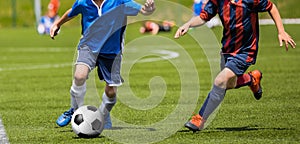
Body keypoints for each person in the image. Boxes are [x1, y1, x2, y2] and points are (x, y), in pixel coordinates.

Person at [174, 0, 296, 132]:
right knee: (228, 84)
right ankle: (251, 79)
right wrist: (188, 24)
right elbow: (204, 16)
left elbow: (271, 7)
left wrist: (281, 31)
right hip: (227, 49)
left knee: (220, 81)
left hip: (245, 51)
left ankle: (199, 119)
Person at [50, 0, 155, 129]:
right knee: (79, 76)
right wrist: (58, 24)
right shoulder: (83, 2)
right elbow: (72, 12)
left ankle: (103, 115)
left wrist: (149, 8)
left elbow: (143, 11)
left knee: (111, 92)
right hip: (88, 46)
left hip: (112, 51)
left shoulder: (119, 2)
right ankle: (74, 110)